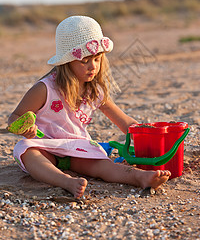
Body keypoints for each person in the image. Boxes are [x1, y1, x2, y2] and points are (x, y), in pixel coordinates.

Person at [8, 16, 171, 199]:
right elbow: (14, 117)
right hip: (45, 145)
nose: (92, 66)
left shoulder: (95, 91)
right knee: (27, 151)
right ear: (67, 62)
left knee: (105, 166)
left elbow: (125, 122)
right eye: (84, 61)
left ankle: (140, 177)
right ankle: (65, 181)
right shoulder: (45, 89)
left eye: (97, 59)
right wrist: (24, 128)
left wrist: (150, 135)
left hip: (77, 147)